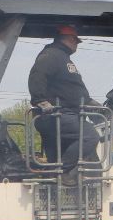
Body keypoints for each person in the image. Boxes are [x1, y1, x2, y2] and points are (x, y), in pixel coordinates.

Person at [28, 23, 98, 181]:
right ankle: (61, 172)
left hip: (64, 115)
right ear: (67, 38)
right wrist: (41, 101)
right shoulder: (52, 55)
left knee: (57, 154)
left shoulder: (62, 58)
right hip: (57, 116)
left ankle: (57, 176)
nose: (76, 44)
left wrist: (92, 104)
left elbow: (71, 89)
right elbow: (37, 75)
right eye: (75, 40)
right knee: (89, 136)